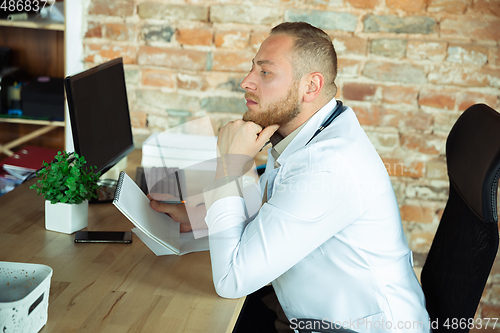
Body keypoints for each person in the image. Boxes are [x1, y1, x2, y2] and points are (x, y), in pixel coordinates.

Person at [150, 22, 430, 333]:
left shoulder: (328, 165)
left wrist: (229, 166)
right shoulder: (306, 132)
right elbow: (277, 211)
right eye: (252, 69)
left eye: (265, 72)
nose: (246, 82)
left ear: (310, 86)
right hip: (304, 310)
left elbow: (231, 281)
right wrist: (204, 215)